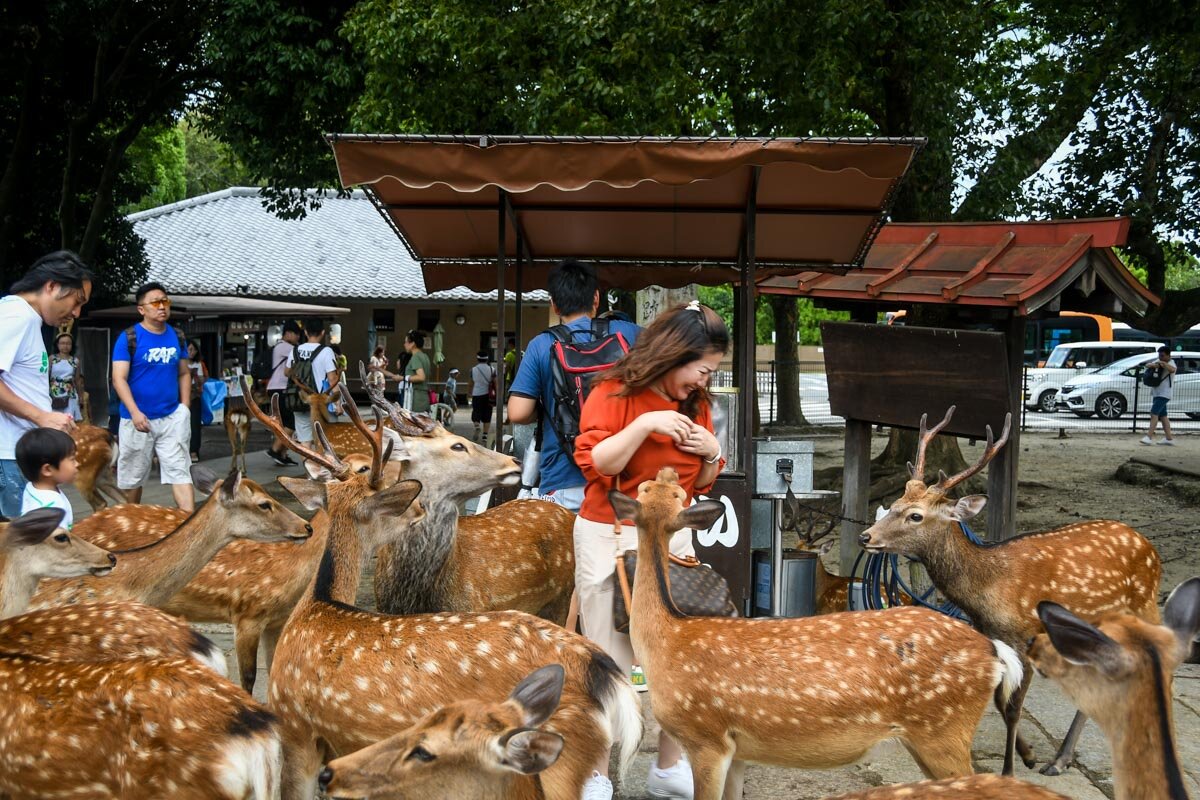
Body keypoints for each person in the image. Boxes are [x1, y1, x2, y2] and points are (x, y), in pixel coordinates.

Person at [572, 301, 728, 800]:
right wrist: (644, 426)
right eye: (702, 369)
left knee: (674, 656)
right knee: (606, 655)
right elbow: (596, 464)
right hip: (610, 533)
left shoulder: (696, 404)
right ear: (674, 355)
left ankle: (667, 767)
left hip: (672, 537)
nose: (704, 381)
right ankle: (597, 774)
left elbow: (699, 485)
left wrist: (712, 455)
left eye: (711, 373)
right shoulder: (612, 392)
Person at [508, 259, 640, 512]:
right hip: (625, 479)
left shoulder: (541, 345)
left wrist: (546, 406)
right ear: (596, 298)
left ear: (554, 304)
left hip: (563, 478)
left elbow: (517, 412)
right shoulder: (629, 333)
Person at [0, 251, 92, 517]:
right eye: (77, 301)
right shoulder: (16, 316)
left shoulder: (25, 319)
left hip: (20, 457)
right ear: (51, 286)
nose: (76, 313)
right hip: (10, 456)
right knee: (31, 547)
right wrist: (41, 416)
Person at [111, 282, 194, 512]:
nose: (162, 307)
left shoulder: (177, 336)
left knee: (180, 470)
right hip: (136, 419)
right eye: (155, 302)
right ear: (141, 309)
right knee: (133, 477)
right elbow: (119, 379)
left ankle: (189, 523)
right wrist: (135, 412)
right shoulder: (128, 337)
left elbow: (184, 372)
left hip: (171, 417)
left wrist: (184, 407)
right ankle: (130, 519)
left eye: (165, 301)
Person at [285, 317, 339, 446]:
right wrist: (338, 404)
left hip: (300, 399)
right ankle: (322, 466)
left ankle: (309, 466)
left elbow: (287, 373)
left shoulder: (295, 350)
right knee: (325, 439)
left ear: (305, 332)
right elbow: (332, 380)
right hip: (320, 402)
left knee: (305, 440)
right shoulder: (326, 351)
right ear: (322, 332)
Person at [16, 427, 78, 529]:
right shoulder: (52, 507)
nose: (77, 464)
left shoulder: (31, 487)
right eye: (72, 459)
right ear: (47, 470)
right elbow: (57, 542)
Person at [265, 321, 301, 466]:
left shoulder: (281, 347)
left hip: (277, 388)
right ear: (288, 334)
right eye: (296, 335)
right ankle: (274, 450)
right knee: (290, 422)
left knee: (285, 422)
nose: (298, 338)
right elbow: (301, 356)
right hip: (279, 389)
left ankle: (282, 454)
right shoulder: (285, 347)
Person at [1141, 345, 1177, 446]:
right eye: (1159, 356)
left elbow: (1172, 369)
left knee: (1154, 413)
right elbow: (1148, 365)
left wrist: (1162, 364)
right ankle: (1169, 438)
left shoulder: (1171, 363)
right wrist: (1155, 365)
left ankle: (1148, 437)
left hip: (1164, 394)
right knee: (1163, 416)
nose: (1160, 357)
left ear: (1168, 355)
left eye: (1162, 356)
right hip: (1157, 392)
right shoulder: (1158, 360)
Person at [50, 333, 85, 422]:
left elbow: (77, 380)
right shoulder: (52, 359)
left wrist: (81, 397)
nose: (65, 346)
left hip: (70, 394)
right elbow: (45, 377)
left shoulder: (75, 361)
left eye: (68, 343)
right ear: (57, 345)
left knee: (68, 421)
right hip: (53, 394)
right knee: (54, 420)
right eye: (62, 343)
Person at [186, 341, 208, 462]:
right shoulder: (180, 363)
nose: (191, 352)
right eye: (189, 349)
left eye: (193, 350)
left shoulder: (199, 364)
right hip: (180, 397)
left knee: (194, 424)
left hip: (195, 397)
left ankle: (194, 450)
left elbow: (202, 381)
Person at [401, 330, 432, 414]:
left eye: (406, 342)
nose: (404, 344)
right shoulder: (425, 356)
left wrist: (404, 378)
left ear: (412, 344)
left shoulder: (415, 357)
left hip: (416, 398)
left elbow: (421, 377)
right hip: (424, 397)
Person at [470, 350, 496, 444]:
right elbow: (495, 383)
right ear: (487, 359)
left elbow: (471, 382)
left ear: (477, 359)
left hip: (476, 394)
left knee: (476, 411)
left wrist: (469, 393)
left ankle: (477, 426)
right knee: (487, 414)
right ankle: (485, 435)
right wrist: (496, 394)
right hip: (488, 395)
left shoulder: (473, 369)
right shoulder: (492, 369)